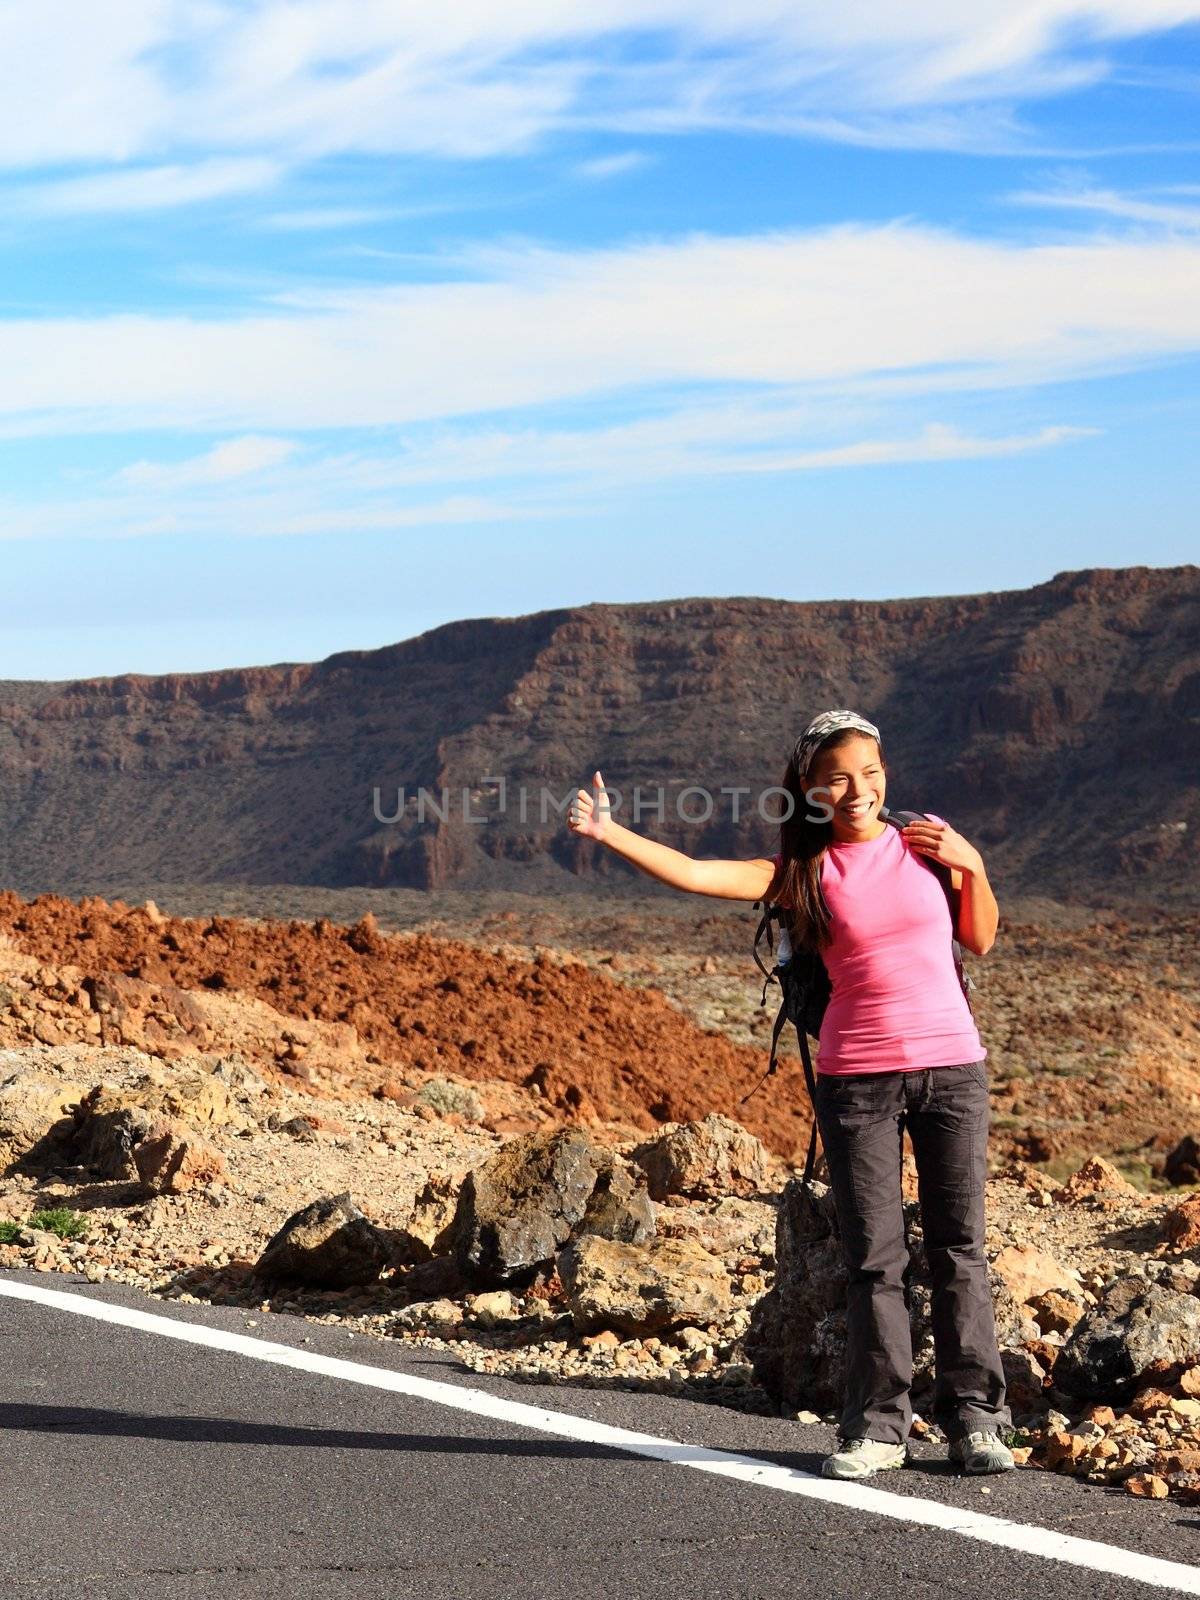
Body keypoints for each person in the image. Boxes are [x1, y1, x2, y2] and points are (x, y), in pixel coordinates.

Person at [566, 708, 1014, 1480]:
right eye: (837, 778)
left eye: (869, 774)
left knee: (960, 1252)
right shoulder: (802, 872)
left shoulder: (927, 843)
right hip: (856, 1081)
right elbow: (702, 875)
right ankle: (878, 1427)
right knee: (875, 1261)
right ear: (809, 789)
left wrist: (972, 863)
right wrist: (610, 834)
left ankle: (977, 1421)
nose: (857, 790)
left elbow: (979, 938)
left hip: (953, 1072)